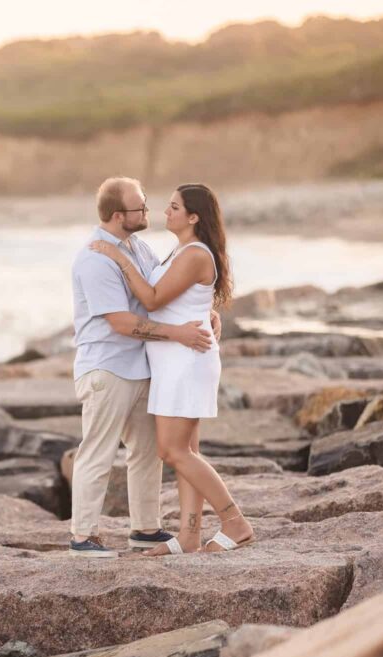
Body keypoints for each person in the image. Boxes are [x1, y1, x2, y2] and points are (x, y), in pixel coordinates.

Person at [91, 183, 254, 555]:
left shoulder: (195, 253)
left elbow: (151, 298)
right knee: (188, 450)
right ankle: (189, 535)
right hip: (174, 360)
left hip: (185, 361)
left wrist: (118, 258)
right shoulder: (181, 251)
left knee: (171, 450)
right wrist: (209, 314)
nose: (166, 211)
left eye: (174, 206)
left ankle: (235, 522)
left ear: (193, 217)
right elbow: (180, 302)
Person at [69, 176, 218, 559]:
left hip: (142, 366)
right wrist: (177, 334)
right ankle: (83, 536)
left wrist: (208, 312)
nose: (148, 212)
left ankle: (145, 529)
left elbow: (166, 289)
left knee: (148, 451)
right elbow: (120, 322)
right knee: (98, 453)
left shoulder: (137, 247)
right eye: (141, 207)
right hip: (108, 367)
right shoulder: (96, 258)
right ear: (119, 215)